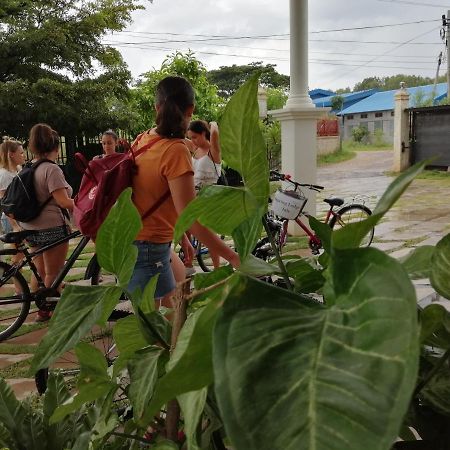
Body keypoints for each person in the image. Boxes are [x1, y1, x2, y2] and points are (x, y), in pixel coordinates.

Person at [128, 76, 239, 307]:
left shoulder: (143, 139)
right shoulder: (176, 150)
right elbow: (192, 219)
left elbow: (158, 199)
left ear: (156, 107)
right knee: (164, 331)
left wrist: (182, 239)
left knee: (181, 308)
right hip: (148, 247)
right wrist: (233, 257)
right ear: (191, 109)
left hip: (144, 240)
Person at [19, 124, 74, 321]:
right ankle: (48, 309)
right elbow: (63, 201)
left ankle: (39, 308)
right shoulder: (51, 169)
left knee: (39, 270)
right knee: (54, 272)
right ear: (56, 147)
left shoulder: (30, 167)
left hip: (30, 228)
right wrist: (83, 205)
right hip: (51, 228)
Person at [187, 120, 222, 190]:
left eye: (194, 137)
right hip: (194, 195)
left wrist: (212, 123)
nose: (192, 141)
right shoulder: (195, 148)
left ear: (203, 133)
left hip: (209, 196)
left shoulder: (213, 150)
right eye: (190, 138)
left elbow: (214, 131)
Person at [0, 140, 26, 234]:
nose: (24, 155)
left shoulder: (18, 169)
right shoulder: (5, 175)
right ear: (11, 154)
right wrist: (15, 226)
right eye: (21, 153)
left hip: (20, 216)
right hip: (12, 220)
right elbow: (5, 202)